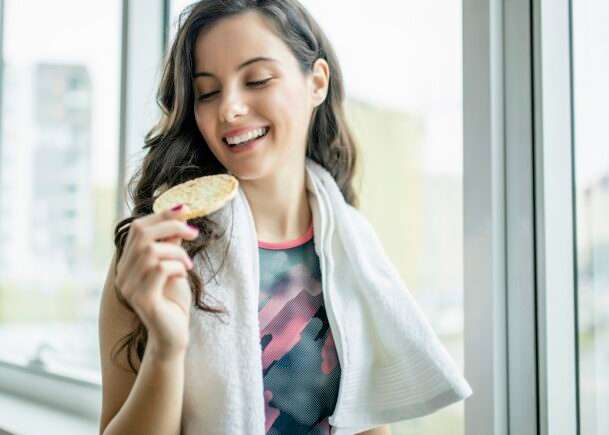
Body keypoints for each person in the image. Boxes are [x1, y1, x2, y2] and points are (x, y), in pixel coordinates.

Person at [99, 1, 470, 434]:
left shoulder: (353, 248)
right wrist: (166, 347)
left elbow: (367, 419)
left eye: (256, 79)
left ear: (316, 83)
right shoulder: (159, 254)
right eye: (208, 92)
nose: (230, 109)